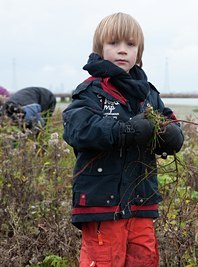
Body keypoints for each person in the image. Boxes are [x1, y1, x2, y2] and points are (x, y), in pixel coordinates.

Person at [62, 12, 184, 266]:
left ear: (139, 52)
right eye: (114, 44)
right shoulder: (92, 91)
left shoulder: (148, 95)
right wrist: (123, 131)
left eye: (130, 45)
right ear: (100, 48)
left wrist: (172, 135)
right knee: (105, 260)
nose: (122, 51)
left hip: (141, 202)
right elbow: (76, 128)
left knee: (144, 259)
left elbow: (171, 123)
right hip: (101, 205)